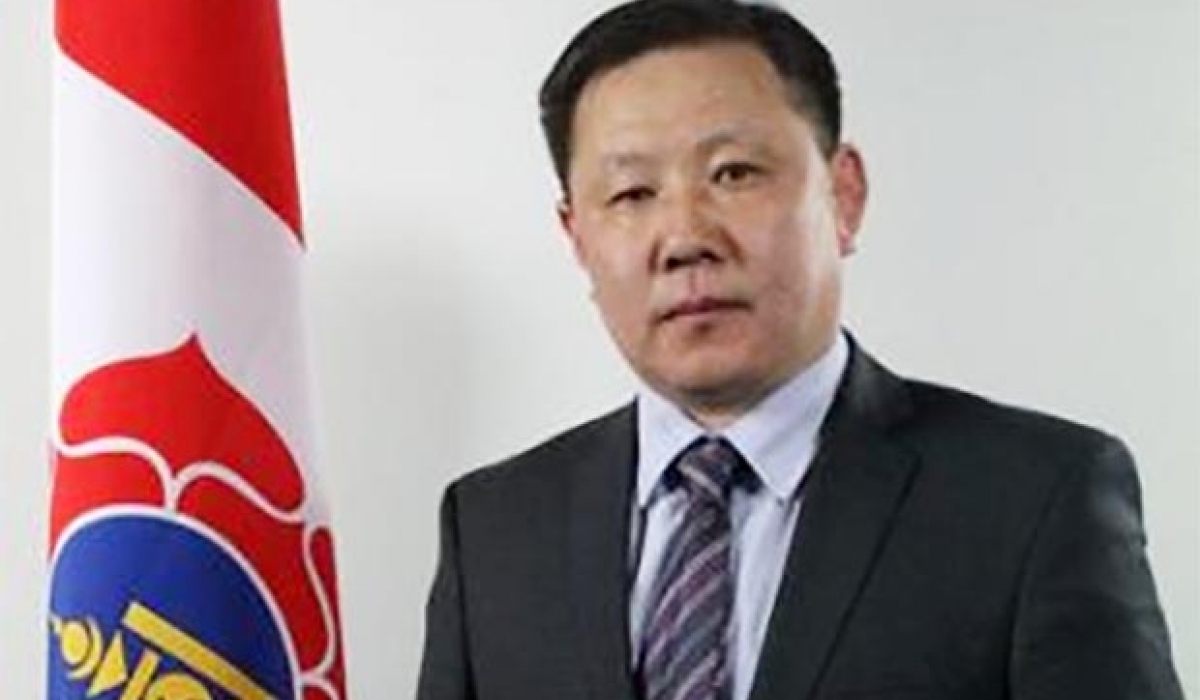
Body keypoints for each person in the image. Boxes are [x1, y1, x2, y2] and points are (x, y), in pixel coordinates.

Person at [415, 1, 1184, 698]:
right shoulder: (493, 530)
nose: (684, 237)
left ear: (843, 195)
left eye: (733, 173)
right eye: (632, 194)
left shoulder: (1035, 499)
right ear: (577, 238)